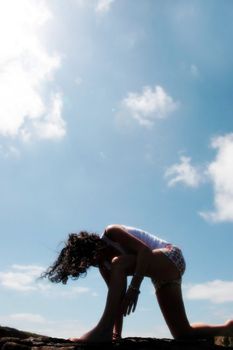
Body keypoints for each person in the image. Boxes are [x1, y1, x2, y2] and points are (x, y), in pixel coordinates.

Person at [43, 224, 233, 342]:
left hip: (171, 256)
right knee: (183, 333)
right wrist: (117, 335)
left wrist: (134, 288)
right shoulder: (105, 266)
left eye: (90, 259)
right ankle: (227, 328)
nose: (94, 264)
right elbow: (116, 300)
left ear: (91, 247)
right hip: (162, 275)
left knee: (119, 262)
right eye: (89, 265)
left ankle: (102, 330)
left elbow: (145, 252)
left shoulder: (112, 233)